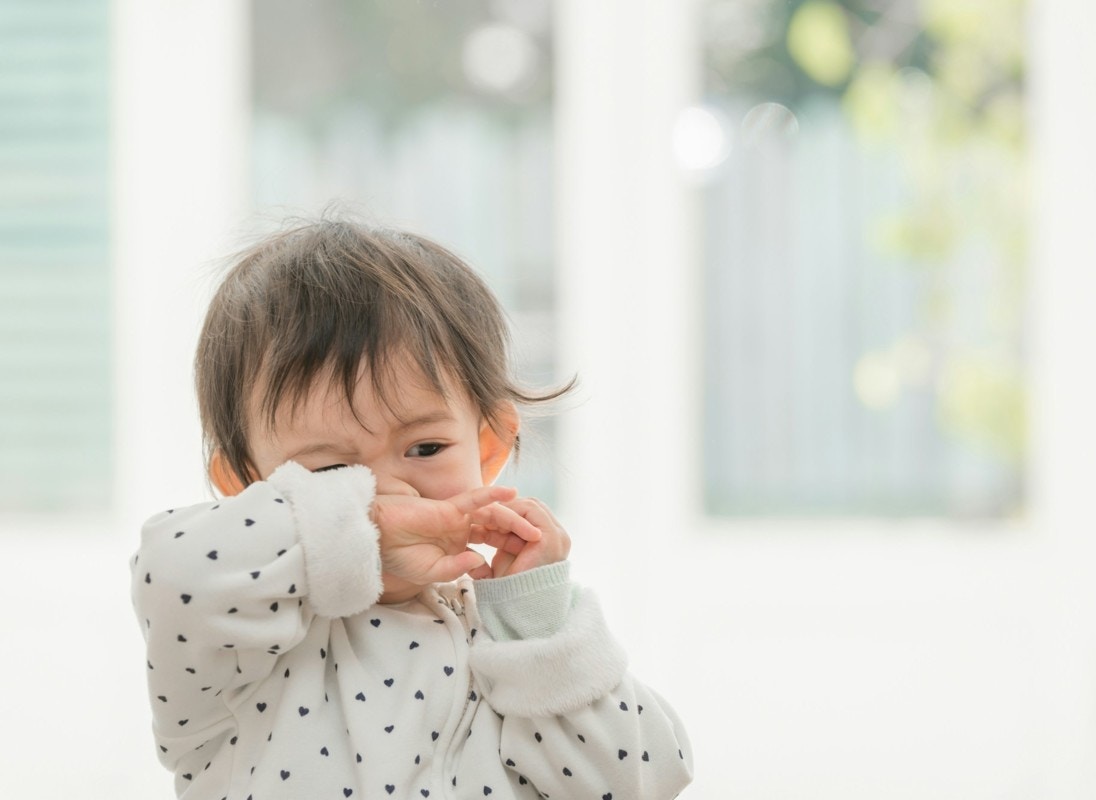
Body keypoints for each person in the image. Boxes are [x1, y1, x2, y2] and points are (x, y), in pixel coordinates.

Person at [130, 219, 694, 800]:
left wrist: (538, 623)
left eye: (425, 449)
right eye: (332, 474)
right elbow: (172, 573)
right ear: (245, 486)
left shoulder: (513, 638)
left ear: (490, 445)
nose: (389, 493)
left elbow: (643, 779)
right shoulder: (242, 641)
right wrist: (358, 526)